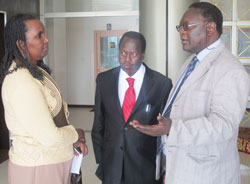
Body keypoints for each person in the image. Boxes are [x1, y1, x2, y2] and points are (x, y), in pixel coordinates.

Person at [130, 2, 250, 184]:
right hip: (180, 167)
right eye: (180, 27)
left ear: (210, 28)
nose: (181, 33)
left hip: (206, 174)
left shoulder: (230, 70)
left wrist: (172, 128)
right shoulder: (190, 63)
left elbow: (223, 126)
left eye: (187, 27)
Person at [0, 14, 88, 184]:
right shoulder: (21, 82)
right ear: (20, 44)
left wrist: (72, 141)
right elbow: (50, 137)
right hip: (39, 169)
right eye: (39, 36)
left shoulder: (35, 71)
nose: (46, 39)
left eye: (44, 34)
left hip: (52, 162)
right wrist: (75, 133)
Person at [91, 31, 172, 184]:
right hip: (111, 165)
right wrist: (102, 160)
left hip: (144, 167)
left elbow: (166, 129)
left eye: (133, 54)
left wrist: (166, 166)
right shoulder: (104, 80)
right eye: (122, 53)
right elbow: (98, 124)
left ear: (142, 55)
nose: (126, 60)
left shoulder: (161, 84)